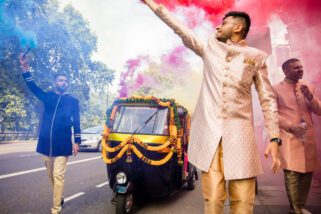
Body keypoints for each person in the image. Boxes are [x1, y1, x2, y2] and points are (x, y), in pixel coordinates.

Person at [141, 1, 282, 213]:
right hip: (210, 138)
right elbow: (180, 28)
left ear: (237, 28)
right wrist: (152, 4)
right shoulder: (209, 48)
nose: (218, 27)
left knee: (243, 202)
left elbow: (267, 98)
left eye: (223, 23)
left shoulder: (257, 57)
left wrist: (274, 137)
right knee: (214, 199)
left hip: (241, 138)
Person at [20, 55, 81, 214]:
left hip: (63, 145)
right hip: (46, 143)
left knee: (58, 175)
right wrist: (26, 69)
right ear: (55, 83)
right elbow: (33, 87)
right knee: (51, 177)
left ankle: (56, 208)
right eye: (61, 80)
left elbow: (77, 122)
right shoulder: (48, 97)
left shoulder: (73, 101)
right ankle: (58, 196)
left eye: (66, 81)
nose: (63, 83)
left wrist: (77, 141)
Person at [273, 58, 321, 214]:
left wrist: (310, 97)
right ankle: (296, 209)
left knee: (307, 173)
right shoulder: (275, 89)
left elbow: (319, 111)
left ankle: (299, 207)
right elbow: (271, 114)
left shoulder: (309, 87)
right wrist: (289, 125)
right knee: (292, 173)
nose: (300, 70)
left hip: (308, 137)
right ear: (285, 71)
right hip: (288, 137)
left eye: (301, 67)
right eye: (296, 68)